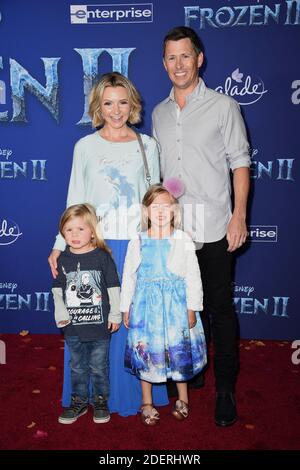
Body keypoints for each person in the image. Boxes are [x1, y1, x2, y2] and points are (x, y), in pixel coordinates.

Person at [48, 72, 168, 416]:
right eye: (108, 103)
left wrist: (158, 245)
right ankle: (85, 397)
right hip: (93, 247)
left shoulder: (148, 146)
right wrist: (60, 243)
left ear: (133, 104)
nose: (116, 110)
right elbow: (75, 200)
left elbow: (154, 202)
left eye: (122, 102)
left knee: (131, 320)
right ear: (98, 107)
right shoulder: (84, 147)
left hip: (134, 245)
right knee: (88, 323)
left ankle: (133, 396)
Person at [152, 26, 250, 426]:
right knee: (182, 311)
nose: (179, 64)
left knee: (219, 310)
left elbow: (240, 163)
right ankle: (192, 371)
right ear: (164, 63)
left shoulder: (224, 106)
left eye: (185, 56)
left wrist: (239, 216)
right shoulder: (158, 113)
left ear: (199, 59)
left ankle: (225, 388)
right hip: (174, 233)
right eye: (171, 57)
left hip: (212, 227)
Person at [120, 184, 207, 425]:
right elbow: (129, 276)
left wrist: (192, 308)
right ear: (146, 211)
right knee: (146, 352)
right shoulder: (137, 240)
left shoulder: (183, 239)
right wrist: (126, 307)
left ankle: (183, 398)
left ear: (174, 210)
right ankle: (146, 402)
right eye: (154, 206)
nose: (160, 211)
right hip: (146, 308)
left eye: (165, 206)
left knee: (179, 352)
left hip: (176, 307)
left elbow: (193, 276)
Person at [52, 203, 121, 424]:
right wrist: (60, 312)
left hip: (99, 326)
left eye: (80, 229)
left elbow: (113, 287)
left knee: (99, 367)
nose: (74, 234)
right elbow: (57, 289)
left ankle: (100, 402)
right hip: (73, 326)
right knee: (77, 366)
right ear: (62, 232)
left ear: (92, 231)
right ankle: (79, 402)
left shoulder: (102, 257)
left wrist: (115, 315)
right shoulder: (62, 259)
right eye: (69, 229)